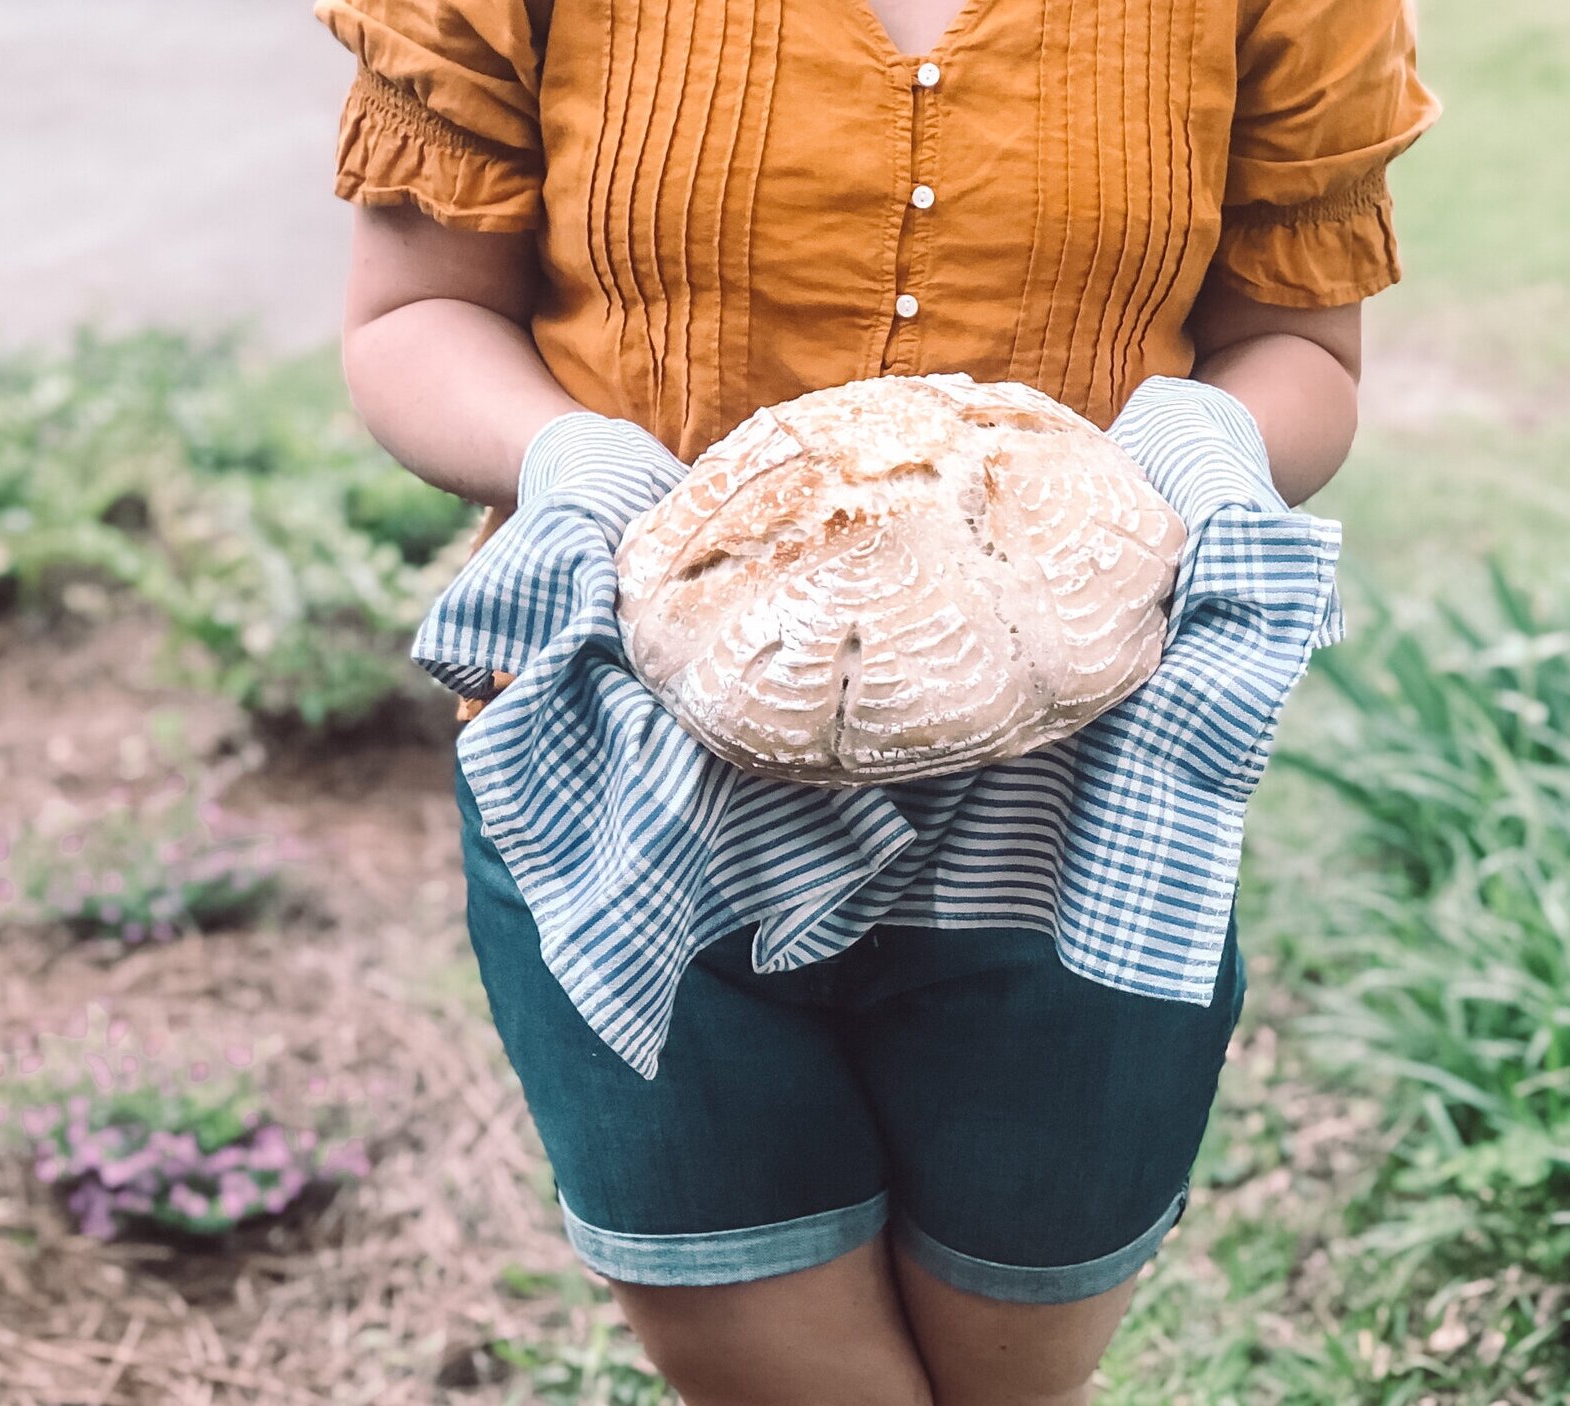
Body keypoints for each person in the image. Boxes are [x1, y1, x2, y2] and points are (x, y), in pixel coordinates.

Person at [314, 0, 1437, 1400]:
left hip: (1077, 810)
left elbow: (1300, 349)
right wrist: (574, 463)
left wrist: (1195, 446)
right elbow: (419, 312)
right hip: (637, 778)